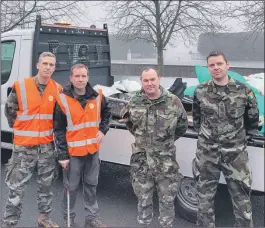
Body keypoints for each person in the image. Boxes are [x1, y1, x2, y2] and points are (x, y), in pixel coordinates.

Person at [192, 51, 259, 227]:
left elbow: (252, 120)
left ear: (227, 65)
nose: (216, 68)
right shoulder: (200, 91)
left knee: (242, 202)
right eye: (212, 65)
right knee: (204, 201)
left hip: (235, 155)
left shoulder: (244, 91)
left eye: (219, 64)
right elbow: (197, 119)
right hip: (207, 154)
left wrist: (239, 140)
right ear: (208, 68)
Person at [121, 67, 188, 227]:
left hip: (165, 164)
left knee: (167, 203)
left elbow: (182, 126)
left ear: (159, 79)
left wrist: (163, 143)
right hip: (141, 163)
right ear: (141, 82)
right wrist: (144, 141)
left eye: (152, 79)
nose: (149, 83)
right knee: (143, 203)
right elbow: (130, 124)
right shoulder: (134, 101)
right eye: (146, 80)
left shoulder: (173, 101)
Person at [2, 52, 62, 227]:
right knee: (16, 190)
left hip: (46, 148)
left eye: (51, 65)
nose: (48, 67)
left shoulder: (57, 89)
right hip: (23, 149)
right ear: (38, 65)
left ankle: (44, 219)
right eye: (45, 63)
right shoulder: (21, 86)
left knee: (46, 188)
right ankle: (9, 222)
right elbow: (10, 112)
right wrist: (23, 130)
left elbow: (57, 118)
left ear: (54, 67)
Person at [53, 63, 111, 227]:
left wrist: (103, 130)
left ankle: (92, 218)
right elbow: (58, 129)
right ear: (71, 78)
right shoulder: (62, 99)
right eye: (77, 76)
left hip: (92, 151)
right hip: (73, 153)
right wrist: (62, 156)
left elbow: (107, 113)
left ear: (88, 77)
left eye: (83, 76)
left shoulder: (98, 95)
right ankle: (68, 217)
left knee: (91, 185)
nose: (80, 79)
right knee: (71, 187)